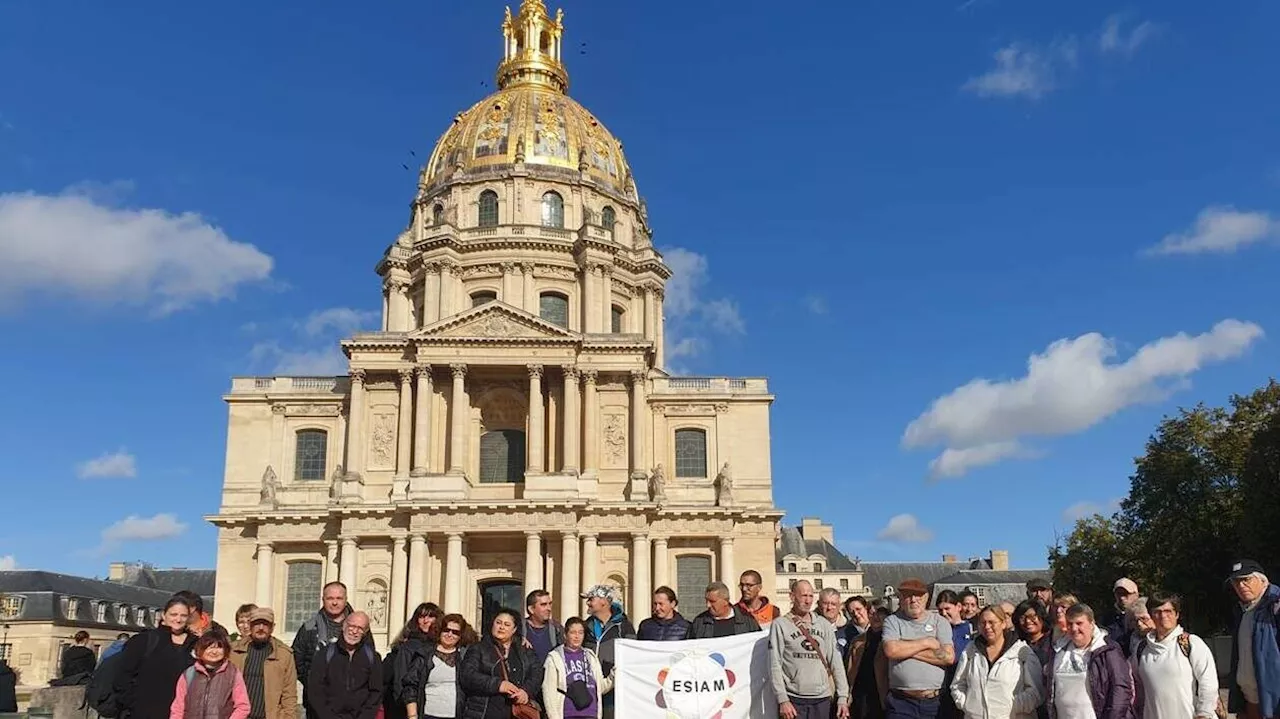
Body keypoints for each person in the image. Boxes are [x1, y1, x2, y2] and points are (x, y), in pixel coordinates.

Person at [770, 580, 850, 719]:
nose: (808, 601)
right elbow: (774, 664)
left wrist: (842, 696)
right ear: (792, 596)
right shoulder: (780, 625)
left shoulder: (823, 625)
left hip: (821, 698)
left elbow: (836, 662)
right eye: (803, 596)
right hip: (793, 699)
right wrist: (782, 699)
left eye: (811, 596)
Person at [1134, 593, 1219, 719]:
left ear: (1177, 614)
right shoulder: (1141, 649)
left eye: (1168, 611)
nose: (1163, 616)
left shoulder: (1191, 643)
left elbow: (1208, 683)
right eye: (1157, 612)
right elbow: (1137, 687)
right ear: (1151, 615)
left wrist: (1204, 714)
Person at [950, 605, 1041, 719]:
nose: (987, 627)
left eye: (992, 622)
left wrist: (1011, 706)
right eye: (983, 623)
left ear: (1003, 624)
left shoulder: (1021, 652)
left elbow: (1035, 692)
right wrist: (966, 704)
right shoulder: (970, 650)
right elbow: (958, 684)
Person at [882, 578, 955, 719]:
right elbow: (890, 650)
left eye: (918, 595)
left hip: (934, 702)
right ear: (901, 599)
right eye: (908, 595)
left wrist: (903, 648)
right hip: (901, 702)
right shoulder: (892, 621)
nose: (914, 600)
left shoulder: (940, 622)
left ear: (926, 598)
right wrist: (927, 642)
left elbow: (948, 657)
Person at [116, 595, 198, 719]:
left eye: (183, 616)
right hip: (145, 712)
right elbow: (123, 676)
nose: (178, 619)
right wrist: (133, 706)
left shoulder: (196, 644)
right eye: (173, 614)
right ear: (164, 616)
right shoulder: (144, 640)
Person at [1047, 604, 1132, 719]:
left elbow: (1121, 689)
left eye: (1079, 623)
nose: (1074, 628)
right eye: (1070, 624)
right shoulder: (1058, 649)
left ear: (1092, 624)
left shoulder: (1107, 650)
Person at [294, 582, 363, 719]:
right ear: (323, 600)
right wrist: (312, 683)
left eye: (339, 598)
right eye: (330, 598)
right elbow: (297, 660)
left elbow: (369, 659)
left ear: (346, 599)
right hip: (317, 703)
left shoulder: (360, 627)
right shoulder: (309, 628)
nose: (335, 603)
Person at [458, 608, 542, 719]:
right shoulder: (478, 648)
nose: (501, 627)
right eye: (498, 623)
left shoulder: (525, 650)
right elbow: (467, 675)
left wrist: (526, 691)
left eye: (507, 624)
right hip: (484, 712)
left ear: (514, 629)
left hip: (516, 713)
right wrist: (498, 685)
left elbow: (537, 672)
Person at [1225, 559, 1280, 719]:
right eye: (1236, 582)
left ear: (1262, 580)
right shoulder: (1243, 611)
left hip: (1273, 706)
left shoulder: (1276, 607)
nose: (1241, 586)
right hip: (1249, 703)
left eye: (1246, 579)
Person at [396, 612, 475, 719]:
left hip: (456, 715)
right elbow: (410, 685)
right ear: (439, 631)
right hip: (428, 715)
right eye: (446, 630)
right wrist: (412, 715)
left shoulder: (465, 656)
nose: (450, 634)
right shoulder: (424, 654)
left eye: (455, 632)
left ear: (460, 636)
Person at [306, 612, 382, 719]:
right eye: (352, 626)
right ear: (344, 625)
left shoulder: (372, 657)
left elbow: (375, 692)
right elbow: (315, 690)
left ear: (365, 632)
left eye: (360, 628)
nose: (354, 631)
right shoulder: (325, 654)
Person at [229, 607, 298, 719]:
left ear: (272, 627)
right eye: (257, 624)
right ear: (250, 625)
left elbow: (289, 694)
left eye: (265, 624)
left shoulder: (284, 655)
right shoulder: (234, 651)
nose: (261, 628)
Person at [543, 617, 614, 719]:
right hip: (568, 713)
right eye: (573, 632)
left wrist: (613, 676)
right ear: (565, 635)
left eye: (580, 633)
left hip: (591, 713)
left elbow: (600, 687)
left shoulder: (590, 656)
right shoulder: (554, 657)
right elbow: (548, 691)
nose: (577, 636)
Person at [170, 631, 251, 719]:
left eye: (219, 647)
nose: (214, 652)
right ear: (200, 649)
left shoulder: (233, 674)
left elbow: (243, 706)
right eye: (209, 647)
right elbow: (178, 707)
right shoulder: (189, 674)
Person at [387, 604, 443, 719]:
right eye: (421, 617)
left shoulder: (442, 645)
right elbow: (400, 680)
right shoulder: (408, 647)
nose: (426, 621)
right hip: (413, 707)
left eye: (430, 616)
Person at [847, 606, 891, 719]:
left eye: (880, 613)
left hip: (881, 694)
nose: (875, 616)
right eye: (872, 613)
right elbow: (850, 668)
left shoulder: (892, 641)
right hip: (860, 694)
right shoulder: (858, 641)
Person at [580, 586, 635, 676]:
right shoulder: (585, 626)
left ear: (603, 602)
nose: (587, 603)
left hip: (614, 683)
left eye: (591, 599)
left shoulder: (624, 626)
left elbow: (632, 655)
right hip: (590, 683)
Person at [687, 581, 761, 639]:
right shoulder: (699, 623)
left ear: (725, 601)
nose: (708, 605)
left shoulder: (747, 622)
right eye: (706, 600)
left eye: (712, 601)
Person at [521, 591, 565, 665]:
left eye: (550, 604)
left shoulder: (557, 629)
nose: (549, 608)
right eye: (543, 605)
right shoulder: (519, 628)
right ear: (531, 609)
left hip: (549, 675)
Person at [1105, 579, 1141, 657]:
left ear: (1136, 595)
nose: (1122, 598)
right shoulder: (1107, 618)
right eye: (1119, 594)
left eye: (1126, 594)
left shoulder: (1146, 616)